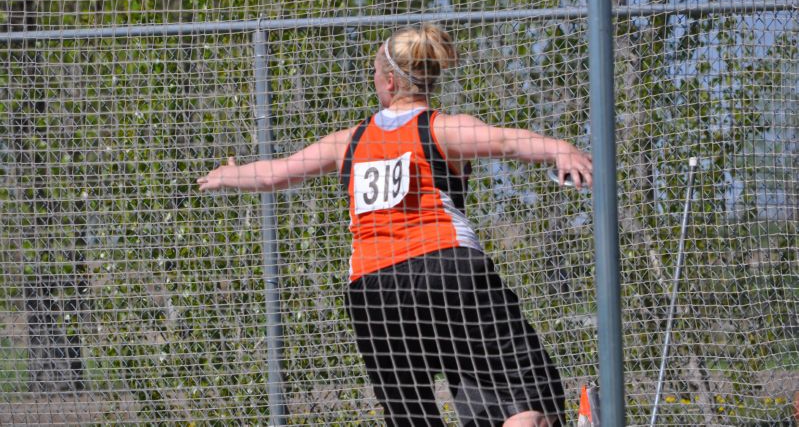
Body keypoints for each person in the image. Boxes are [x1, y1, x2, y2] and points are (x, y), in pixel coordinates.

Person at [197, 24, 593, 427]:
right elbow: (508, 142)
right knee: (527, 398)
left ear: (388, 81)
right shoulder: (440, 128)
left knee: (412, 417)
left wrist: (231, 175)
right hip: (447, 271)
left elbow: (275, 175)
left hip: (374, 293)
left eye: (373, 73)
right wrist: (561, 149)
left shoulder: (349, 140)